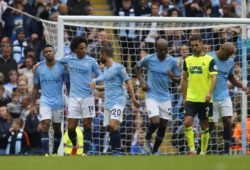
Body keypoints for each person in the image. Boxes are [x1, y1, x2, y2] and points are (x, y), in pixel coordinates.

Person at [57, 36, 102, 156]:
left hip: (88, 97)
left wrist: (95, 81)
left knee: (87, 124)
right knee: (71, 127)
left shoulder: (91, 61)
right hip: (74, 98)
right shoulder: (69, 59)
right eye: (81, 48)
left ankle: (85, 152)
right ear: (75, 49)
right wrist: (39, 64)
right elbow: (54, 60)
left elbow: (100, 75)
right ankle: (75, 145)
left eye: (85, 48)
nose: (84, 50)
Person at [92, 47, 141, 155]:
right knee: (111, 127)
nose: (100, 57)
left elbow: (128, 82)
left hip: (119, 100)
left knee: (113, 125)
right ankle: (115, 150)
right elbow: (109, 85)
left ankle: (117, 152)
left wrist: (133, 99)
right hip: (108, 102)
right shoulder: (105, 69)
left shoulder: (119, 67)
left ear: (104, 54)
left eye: (100, 55)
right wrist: (97, 87)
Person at [135, 38, 181, 154]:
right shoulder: (149, 59)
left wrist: (172, 77)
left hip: (165, 97)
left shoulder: (172, 61)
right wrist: (142, 81)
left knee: (163, 125)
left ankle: (153, 151)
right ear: (156, 49)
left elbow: (179, 79)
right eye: (161, 50)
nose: (164, 52)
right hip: (151, 95)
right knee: (155, 121)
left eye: (166, 50)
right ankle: (146, 139)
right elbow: (136, 68)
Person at [209, 42, 248, 154]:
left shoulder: (230, 62)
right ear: (221, 49)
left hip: (224, 96)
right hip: (210, 96)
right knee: (210, 124)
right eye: (227, 54)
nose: (228, 57)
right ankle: (203, 149)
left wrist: (242, 86)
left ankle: (226, 151)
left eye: (230, 55)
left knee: (227, 121)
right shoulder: (209, 57)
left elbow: (230, 77)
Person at [181, 35, 217, 155]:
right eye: (192, 46)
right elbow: (184, 79)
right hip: (191, 98)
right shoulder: (187, 60)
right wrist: (184, 97)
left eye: (196, 45)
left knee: (204, 125)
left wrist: (210, 93)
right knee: (187, 122)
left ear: (201, 44)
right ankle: (192, 150)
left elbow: (214, 77)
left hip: (205, 99)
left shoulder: (210, 60)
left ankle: (202, 152)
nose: (195, 48)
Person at [31, 44, 68, 156]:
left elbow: (69, 83)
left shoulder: (62, 68)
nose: (48, 53)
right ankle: (46, 153)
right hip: (45, 101)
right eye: (46, 52)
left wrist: (71, 100)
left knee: (57, 128)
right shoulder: (39, 68)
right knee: (44, 124)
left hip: (58, 102)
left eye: (50, 51)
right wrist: (32, 104)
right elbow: (36, 87)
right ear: (43, 54)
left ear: (54, 53)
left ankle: (55, 152)